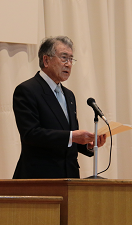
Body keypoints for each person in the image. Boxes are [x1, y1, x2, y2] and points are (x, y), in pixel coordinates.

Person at [12, 36, 106, 179]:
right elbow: (30, 134)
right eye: (64, 58)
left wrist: (88, 145)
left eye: (71, 59)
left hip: (70, 177)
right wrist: (72, 136)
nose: (68, 64)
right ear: (46, 60)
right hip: (39, 177)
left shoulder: (69, 96)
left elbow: (69, 136)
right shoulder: (27, 90)